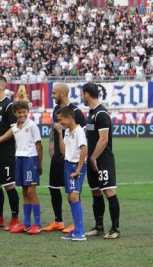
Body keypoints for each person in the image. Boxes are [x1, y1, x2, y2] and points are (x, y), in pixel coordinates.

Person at [45, 83, 86, 233]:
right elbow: (53, 128)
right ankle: (58, 221)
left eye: (54, 93)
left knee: (73, 191)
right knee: (53, 187)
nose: (52, 95)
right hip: (58, 153)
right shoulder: (57, 109)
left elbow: (83, 134)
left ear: (62, 94)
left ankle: (76, 223)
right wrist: (51, 144)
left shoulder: (75, 111)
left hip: (71, 157)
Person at [82, 83, 121, 239]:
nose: (82, 97)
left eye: (82, 94)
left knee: (108, 191)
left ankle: (115, 229)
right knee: (96, 192)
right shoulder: (91, 113)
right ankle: (99, 227)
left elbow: (104, 139)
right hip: (92, 159)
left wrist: (93, 157)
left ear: (86, 94)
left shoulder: (101, 113)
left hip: (102, 159)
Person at [0, 101, 42, 234]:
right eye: (19, 112)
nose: (22, 114)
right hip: (20, 159)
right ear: (15, 113)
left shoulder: (32, 125)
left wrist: (38, 164)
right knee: (24, 192)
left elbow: (39, 145)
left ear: (27, 111)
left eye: (24, 112)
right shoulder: (15, 127)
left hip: (30, 159)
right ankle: (26, 224)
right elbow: (4, 137)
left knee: (31, 192)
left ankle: (37, 224)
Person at [0, 75, 20, 230]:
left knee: (8, 185)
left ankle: (14, 219)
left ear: (2, 86)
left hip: (6, 152)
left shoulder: (9, 105)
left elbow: (14, 128)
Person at [56, 107, 88, 241]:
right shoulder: (68, 131)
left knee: (75, 197)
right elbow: (63, 151)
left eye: (60, 120)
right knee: (70, 197)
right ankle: (76, 229)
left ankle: (81, 232)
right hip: (68, 164)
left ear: (69, 118)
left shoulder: (79, 131)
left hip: (76, 166)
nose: (59, 122)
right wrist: (59, 133)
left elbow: (84, 149)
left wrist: (78, 170)